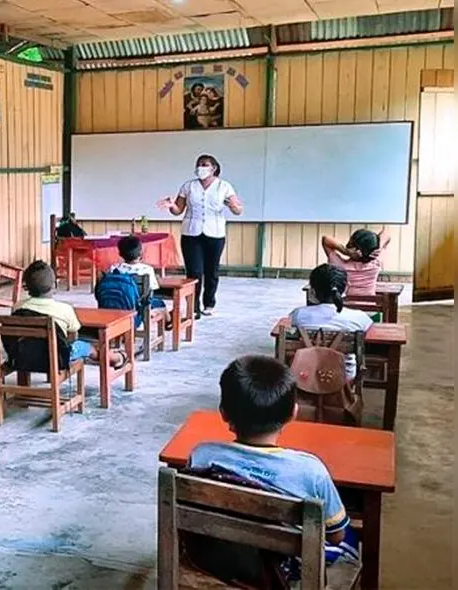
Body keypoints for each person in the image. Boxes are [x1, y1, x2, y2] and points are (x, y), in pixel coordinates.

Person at [189, 356, 359, 576]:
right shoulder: (311, 471)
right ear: (293, 413)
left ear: (223, 413)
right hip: (281, 569)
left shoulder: (202, 455)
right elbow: (335, 536)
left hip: (216, 561)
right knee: (350, 538)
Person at [157, 154, 243, 318]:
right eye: (198, 164)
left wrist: (233, 206)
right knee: (193, 272)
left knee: (212, 271)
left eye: (205, 164)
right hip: (191, 233)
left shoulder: (224, 186)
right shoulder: (188, 186)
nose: (200, 168)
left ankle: (209, 303)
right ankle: (193, 307)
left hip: (215, 233)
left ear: (214, 168)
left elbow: (238, 209)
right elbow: (178, 211)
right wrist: (171, 205)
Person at [16, 261, 126, 369]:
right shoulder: (64, 309)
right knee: (86, 347)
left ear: (27, 287)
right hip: (57, 358)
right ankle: (114, 358)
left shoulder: (17, 308)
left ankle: (112, 356)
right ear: (54, 285)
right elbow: (74, 332)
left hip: (23, 358)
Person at [289, 264, 373, 381]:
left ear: (312, 291)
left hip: (306, 377)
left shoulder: (298, 315)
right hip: (344, 378)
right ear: (346, 288)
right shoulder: (360, 318)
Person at [322, 229, 389, 297]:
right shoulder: (375, 264)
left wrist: (345, 251)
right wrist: (378, 248)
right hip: (368, 307)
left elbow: (326, 240)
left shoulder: (339, 266)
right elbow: (386, 234)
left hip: (345, 307)